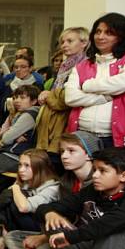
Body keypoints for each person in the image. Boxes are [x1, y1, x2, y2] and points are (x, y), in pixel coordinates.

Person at [5, 132, 101, 249]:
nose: (64, 156)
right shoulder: (66, 182)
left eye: (71, 151)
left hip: (91, 242)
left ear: (88, 154)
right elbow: (60, 215)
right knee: (13, 238)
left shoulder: (99, 182)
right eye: (62, 151)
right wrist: (44, 234)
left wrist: (45, 237)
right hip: (66, 237)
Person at [64, 13, 125, 161]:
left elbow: (120, 84)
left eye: (109, 33)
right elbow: (71, 98)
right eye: (98, 32)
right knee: (86, 183)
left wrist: (87, 85)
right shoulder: (83, 65)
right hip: (83, 137)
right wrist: (105, 97)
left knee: (121, 183)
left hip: (122, 141)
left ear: (122, 36)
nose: (101, 37)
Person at [0, 149, 60, 249]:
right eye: (20, 165)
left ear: (40, 167)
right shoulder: (27, 182)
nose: (21, 170)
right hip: (19, 226)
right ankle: (13, 247)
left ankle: (15, 248)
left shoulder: (52, 188)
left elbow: (24, 207)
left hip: (41, 231)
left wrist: (15, 188)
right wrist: (5, 227)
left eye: (27, 166)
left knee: (12, 199)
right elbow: (2, 206)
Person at [35, 28, 88, 165]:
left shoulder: (85, 66)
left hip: (67, 121)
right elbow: (56, 93)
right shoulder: (64, 67)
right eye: (62, 41)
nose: (64, 45)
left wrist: (49, 95)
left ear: (84, 43)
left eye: (70, 41)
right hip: (52, 122)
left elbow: (65, 99)